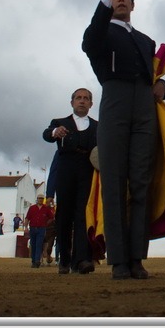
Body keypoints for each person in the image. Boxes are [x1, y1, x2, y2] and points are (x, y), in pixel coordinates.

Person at [81, 0, 165, 280]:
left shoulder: (146, 41)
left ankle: (136, 258)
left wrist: (162, 87)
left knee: (141, 182)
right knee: (115, 182)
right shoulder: (101, 32)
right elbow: (89, 43)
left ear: (133, 3)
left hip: (143, 106)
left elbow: (152, 75)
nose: (120, 0)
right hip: (115, 100)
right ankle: (118, 259)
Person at [42, 87, 99, 275]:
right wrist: (54, 132)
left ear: (91, 104)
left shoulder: (98, 126)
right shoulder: (60, 123)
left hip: (88, 170)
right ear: (72, 102)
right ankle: (64, 260)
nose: (82, 101)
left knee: (84, 214)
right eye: (78, 98)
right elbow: (46, 134)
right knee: (64, 215)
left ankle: (81, 260)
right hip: (66, 169)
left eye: (86, 98)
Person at [25, 194, 55, 268]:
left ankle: (37, 260)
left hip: (41, 229)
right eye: (39, 198)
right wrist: (26, 227)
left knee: (39, 244)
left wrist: (46, 223)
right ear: (37, 199)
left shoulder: (46, 209)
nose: (40, 200)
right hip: (32, 228)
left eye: (42, 198)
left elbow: (51, 217)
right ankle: (33, 260)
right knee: (33, 244)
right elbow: (27, 218)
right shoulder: (32, 208)